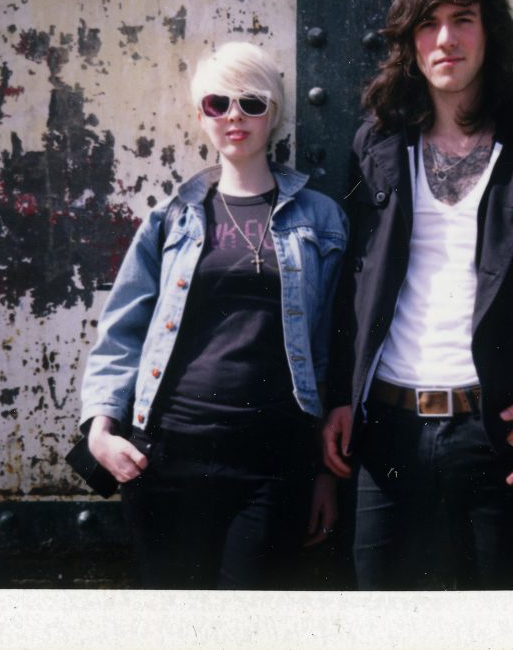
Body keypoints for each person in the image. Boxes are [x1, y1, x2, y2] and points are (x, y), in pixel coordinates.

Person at [322, 0, 513, 589]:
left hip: (492, 427)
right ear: (410, 42)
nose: (446, 38)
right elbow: (355, 283)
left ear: (488, 32)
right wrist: (340, 395)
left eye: (463, 19)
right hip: (385, 425)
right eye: (428, 23)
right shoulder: (376, 143)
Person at [79, 42, 348, 589]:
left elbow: (333, 344)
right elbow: (124, 329)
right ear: (201, 115)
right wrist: (99, 430)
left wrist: (323, 472)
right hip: (167, 455)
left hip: (273, 459)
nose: (234, 116)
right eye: (217, 103)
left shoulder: (321, 218)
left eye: (251, 103)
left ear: (273, 113)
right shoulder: (172, 217)